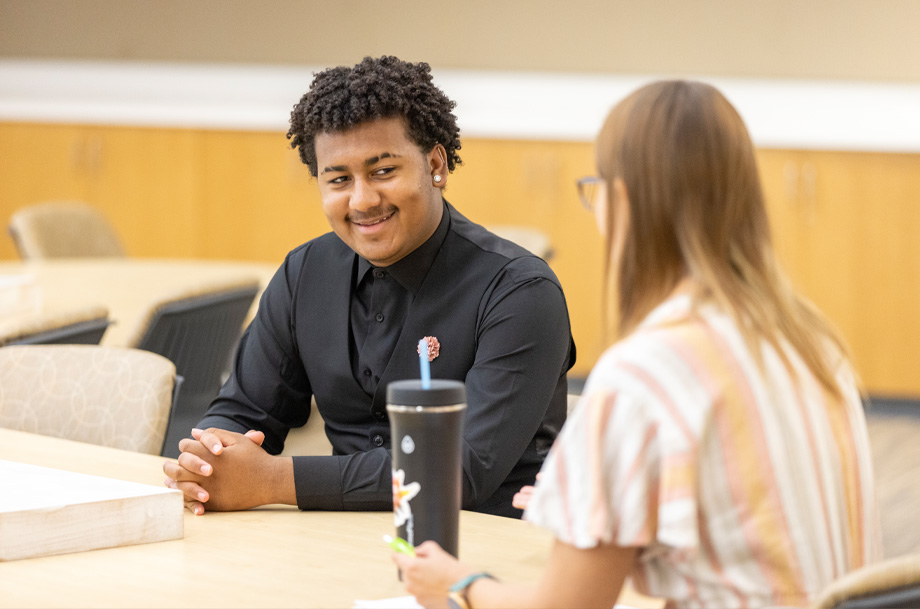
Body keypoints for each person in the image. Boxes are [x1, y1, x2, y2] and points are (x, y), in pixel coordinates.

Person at [394, 80, 881, 609]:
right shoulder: (811, 344)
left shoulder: (647, 373)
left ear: (619, 200)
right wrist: (596, 508)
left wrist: (459, 585)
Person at [161, 56, 575, 519]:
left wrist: (273, 479)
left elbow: (462, 471)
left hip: (484, 548)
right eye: (338, 179)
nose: (362, 200)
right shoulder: (305, 273)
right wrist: (209, 458)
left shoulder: (520, 291)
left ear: (435, 164)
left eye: (383, 172)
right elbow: (244, 408)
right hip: (339, 542)